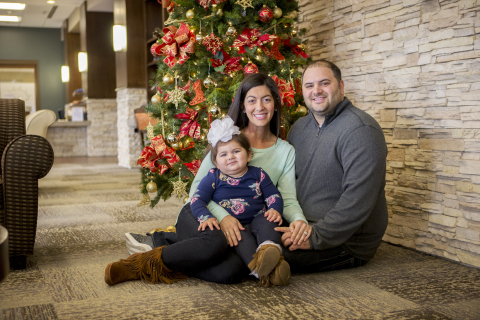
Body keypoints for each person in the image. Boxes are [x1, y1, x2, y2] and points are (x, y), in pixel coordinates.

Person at [106, 73, 310, 286]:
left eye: (266, 99)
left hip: (241, 227)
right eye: (252, 100)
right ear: (242, 106)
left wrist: (299, 222)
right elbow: (196, 192)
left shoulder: (285, 151)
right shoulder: (227, 141)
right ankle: (140, 264)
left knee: (231, 271)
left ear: (275, 104)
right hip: (200, 212)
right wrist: (223, 217)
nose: (260, 106)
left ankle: (171, 245)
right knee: (216, 240)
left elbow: (286, 198)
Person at [273, 59, 389, 272]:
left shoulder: (361, 130)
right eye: (309, 86)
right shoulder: (298, 129)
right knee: (246, 239)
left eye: (324, 83)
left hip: (345, 242)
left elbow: (359, 197)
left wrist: (316, 237)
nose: (316, 90)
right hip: (301, 225)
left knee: (263, 253)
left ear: (341, 86)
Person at [191, 116, 290, 286]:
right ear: (216, 162)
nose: (230, 157)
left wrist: (274, 208)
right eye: (224, 154)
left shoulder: (258, 173)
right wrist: (206, 217)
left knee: (269, 220)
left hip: (258, 219)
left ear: (249, 154)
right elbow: (197, 200)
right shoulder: (213, 177)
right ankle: (266, 273)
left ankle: (269, 249)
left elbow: (273, 195)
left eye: (236, 151)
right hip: (236, 225)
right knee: (240, 240)